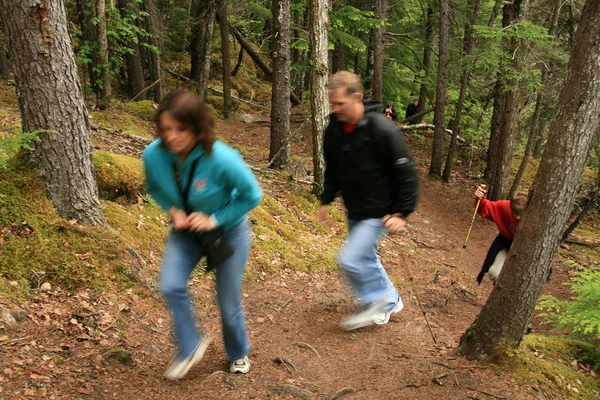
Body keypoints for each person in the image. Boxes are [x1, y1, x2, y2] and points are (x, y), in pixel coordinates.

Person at [143, 91, 262, 379]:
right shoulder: (153, 155)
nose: (171, 137)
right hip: (185, 232)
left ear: (197, 127)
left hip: (227, 231)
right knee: (170, 285)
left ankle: (238, 352)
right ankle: (190, 345)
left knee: (227, 301)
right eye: (166, 129)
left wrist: (215, 218)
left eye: (180, 129)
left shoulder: (222, 158)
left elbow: (252, 195)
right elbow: (154, 187)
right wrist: (171, 209)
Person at [317, 71, 419, 331]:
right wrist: (326, 198)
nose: (336, 109)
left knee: (349, 259)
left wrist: (401, 212)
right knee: (367, 257)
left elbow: (406, 171)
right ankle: (392, 299)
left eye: (341, 103)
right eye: (333, 104)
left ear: (357, 97)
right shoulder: (335, 129)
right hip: (356, 207)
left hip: (381, 211)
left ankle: (378, 302)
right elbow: (333, 166)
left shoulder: (381, 129)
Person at [474, 185, 527, 283]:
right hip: (505, 245)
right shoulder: (505, 206)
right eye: (515, 214)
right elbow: (485, 208)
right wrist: (480, 198)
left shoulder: (535, 218)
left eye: (520, 214)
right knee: (495, 273)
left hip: (524, 253)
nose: (518, 218)